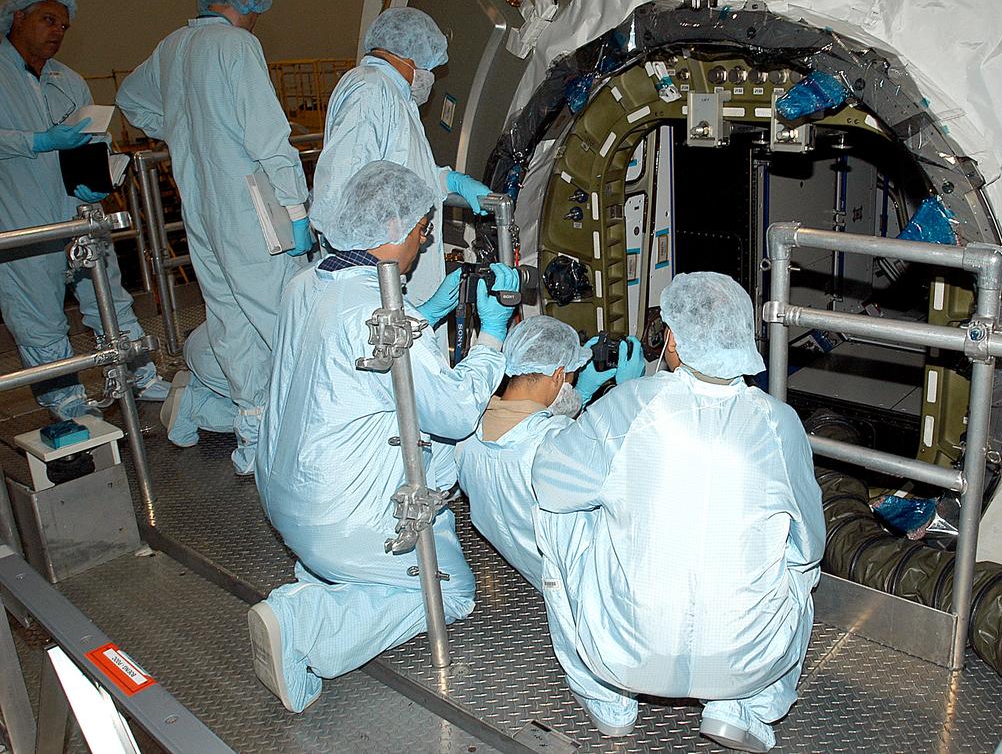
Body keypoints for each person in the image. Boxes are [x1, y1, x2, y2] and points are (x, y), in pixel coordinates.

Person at [248, 160, 518, 713]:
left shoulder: (307, 283)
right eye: (422, 230)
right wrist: (493, 336)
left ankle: (329, 578)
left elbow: (350, 364)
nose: (421, 245)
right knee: (452, 591)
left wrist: (423, 314)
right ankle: (308, 625)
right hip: (337, 520)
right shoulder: (382, 312)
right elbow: (456, 413)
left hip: (283, 495)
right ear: (394, 229)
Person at [532, 272, 825, 752]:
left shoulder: (631, 406)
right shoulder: (780, 423)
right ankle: (742, 706)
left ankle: (610, 701)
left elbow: (549, 480)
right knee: (801, 562)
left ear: (672, 340)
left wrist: (586, 409)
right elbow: (810, 544)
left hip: (627, 654)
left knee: (557, 512)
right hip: (746, 659)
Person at [116, 0, 313, 474]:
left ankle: (252, 434)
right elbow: (269, 137)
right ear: (246, 5)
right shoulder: (236, 47)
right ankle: (309, 430)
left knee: (229, 320)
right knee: (284, 316)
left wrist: (183, 129)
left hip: (199, 204)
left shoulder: (173, 47)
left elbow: (130, 100)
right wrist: (296, 209)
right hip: (253, 206)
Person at [0, 0, 168, 420]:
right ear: (18, 18)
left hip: (78, 212)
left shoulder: (68, 80)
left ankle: (137, 372)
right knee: (37, 313)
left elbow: (96, 137)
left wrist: (101, 176)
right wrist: (35, 142)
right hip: (21, 220)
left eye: (63, 25)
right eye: (48, 21)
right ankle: (65, 397)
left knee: (108, 295)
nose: (58, 32)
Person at [310, 6, 491, 306]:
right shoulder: (370, 90)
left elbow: (400, 171)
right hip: (373, 275)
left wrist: (449, 181)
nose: (428, 77)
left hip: (387, 271)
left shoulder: (389, 93)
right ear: (411, 58)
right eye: (429, 69)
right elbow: (344, 184)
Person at [450, 316, 643, 586]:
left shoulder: (466, 435)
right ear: (558, 376)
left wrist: (583, 394)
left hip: (532, 569)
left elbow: (528, 425)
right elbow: (630, 469)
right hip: (586, 580)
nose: (573, 381)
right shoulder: (553, 443)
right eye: (572, 375)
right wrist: (629, 395)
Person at [159, 321, 235, 447]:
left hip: (204, 342)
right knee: (263, 414)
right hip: (222, 358)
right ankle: (195, 406)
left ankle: (196, 383)